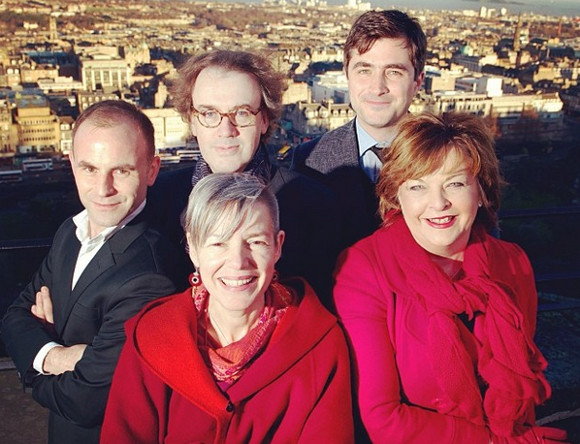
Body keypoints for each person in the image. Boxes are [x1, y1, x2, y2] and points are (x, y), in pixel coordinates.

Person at [333, 112, 568, 443]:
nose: (438, 203)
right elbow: (382, 417)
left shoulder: (512, 264)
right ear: (396, 196)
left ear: (482, 191)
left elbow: (520, 382)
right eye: (417, 186)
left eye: (455, 183)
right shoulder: (364, 270)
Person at [101, 173, 354, 443]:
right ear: (194, 250)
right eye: (218, 243)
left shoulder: (321, 343)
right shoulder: (152, 336)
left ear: (278, 246)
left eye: (255, 242)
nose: (237, 262)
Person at [1, 100, 184, 444]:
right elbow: (14, 316)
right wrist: (57, 356)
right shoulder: (70, 232)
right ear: (71, 165)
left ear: (151, 170)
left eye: (122, 170)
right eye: (89, 169)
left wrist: (33, 368)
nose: (103, 189)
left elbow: (84, 400)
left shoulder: (150, 276)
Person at [147, 49, 340, 304]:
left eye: (242, 113)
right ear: (192, 121)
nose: (226, 130)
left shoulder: (313, 205)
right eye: (208, 114)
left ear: (264, 120)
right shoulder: (157, 201)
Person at [292, 9, 427, 251]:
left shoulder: (451, 156)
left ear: (418, 81)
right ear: (347, 75)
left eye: (394, 72)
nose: (377, 87)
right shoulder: (309, 161)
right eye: (364, 70)